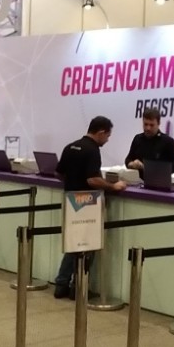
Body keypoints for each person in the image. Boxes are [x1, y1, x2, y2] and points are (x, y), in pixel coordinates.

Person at [53, 116, 127, 300]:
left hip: (71, 200)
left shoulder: (70, 146)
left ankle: (61, 284)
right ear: (101, 132)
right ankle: (79, 287)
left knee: (72, 244)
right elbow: (92, 179)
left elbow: (58, 173)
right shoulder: (92, 150)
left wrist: (73, 183)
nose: (107, 140)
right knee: (87, 245)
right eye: (107, 136)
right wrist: (113, 186)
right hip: (87, 202)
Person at [124, 106, 174, 172]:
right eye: (145, 124)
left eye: (152, 125)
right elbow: (128, 159)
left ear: (158, 124)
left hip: (159, 177)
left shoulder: (168, 141)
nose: (148, 128)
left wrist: (158, 169)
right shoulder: (137, 139)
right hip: (138, 178)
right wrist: (132, 164)